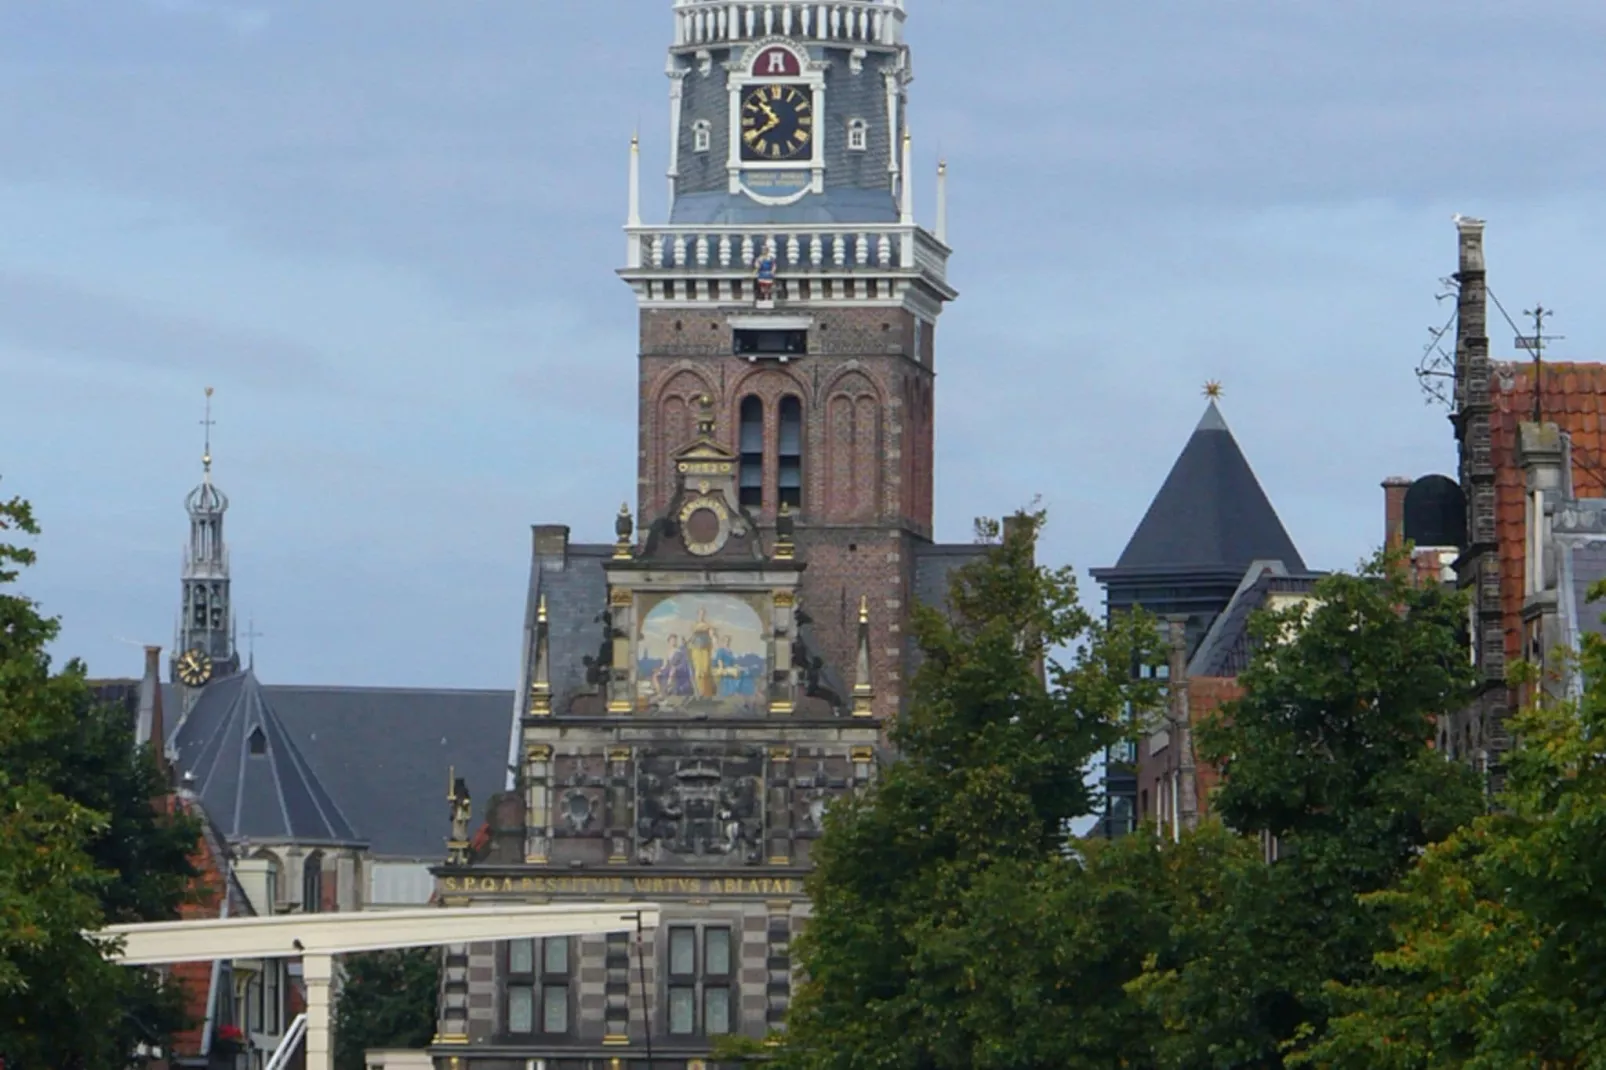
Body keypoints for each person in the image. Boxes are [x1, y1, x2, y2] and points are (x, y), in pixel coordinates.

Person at [688, 609, 718, 699]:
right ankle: (700, 692)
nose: (702, 615)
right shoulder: (695, 624)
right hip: (696, 649)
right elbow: (695, 629)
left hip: (705, 649)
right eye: (700, 613)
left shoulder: (707, 625)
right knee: (698, 671)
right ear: (698, 614)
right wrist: (707, 627)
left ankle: (707, 692)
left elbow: (712, 634)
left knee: (705, 670)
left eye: (703, 614)